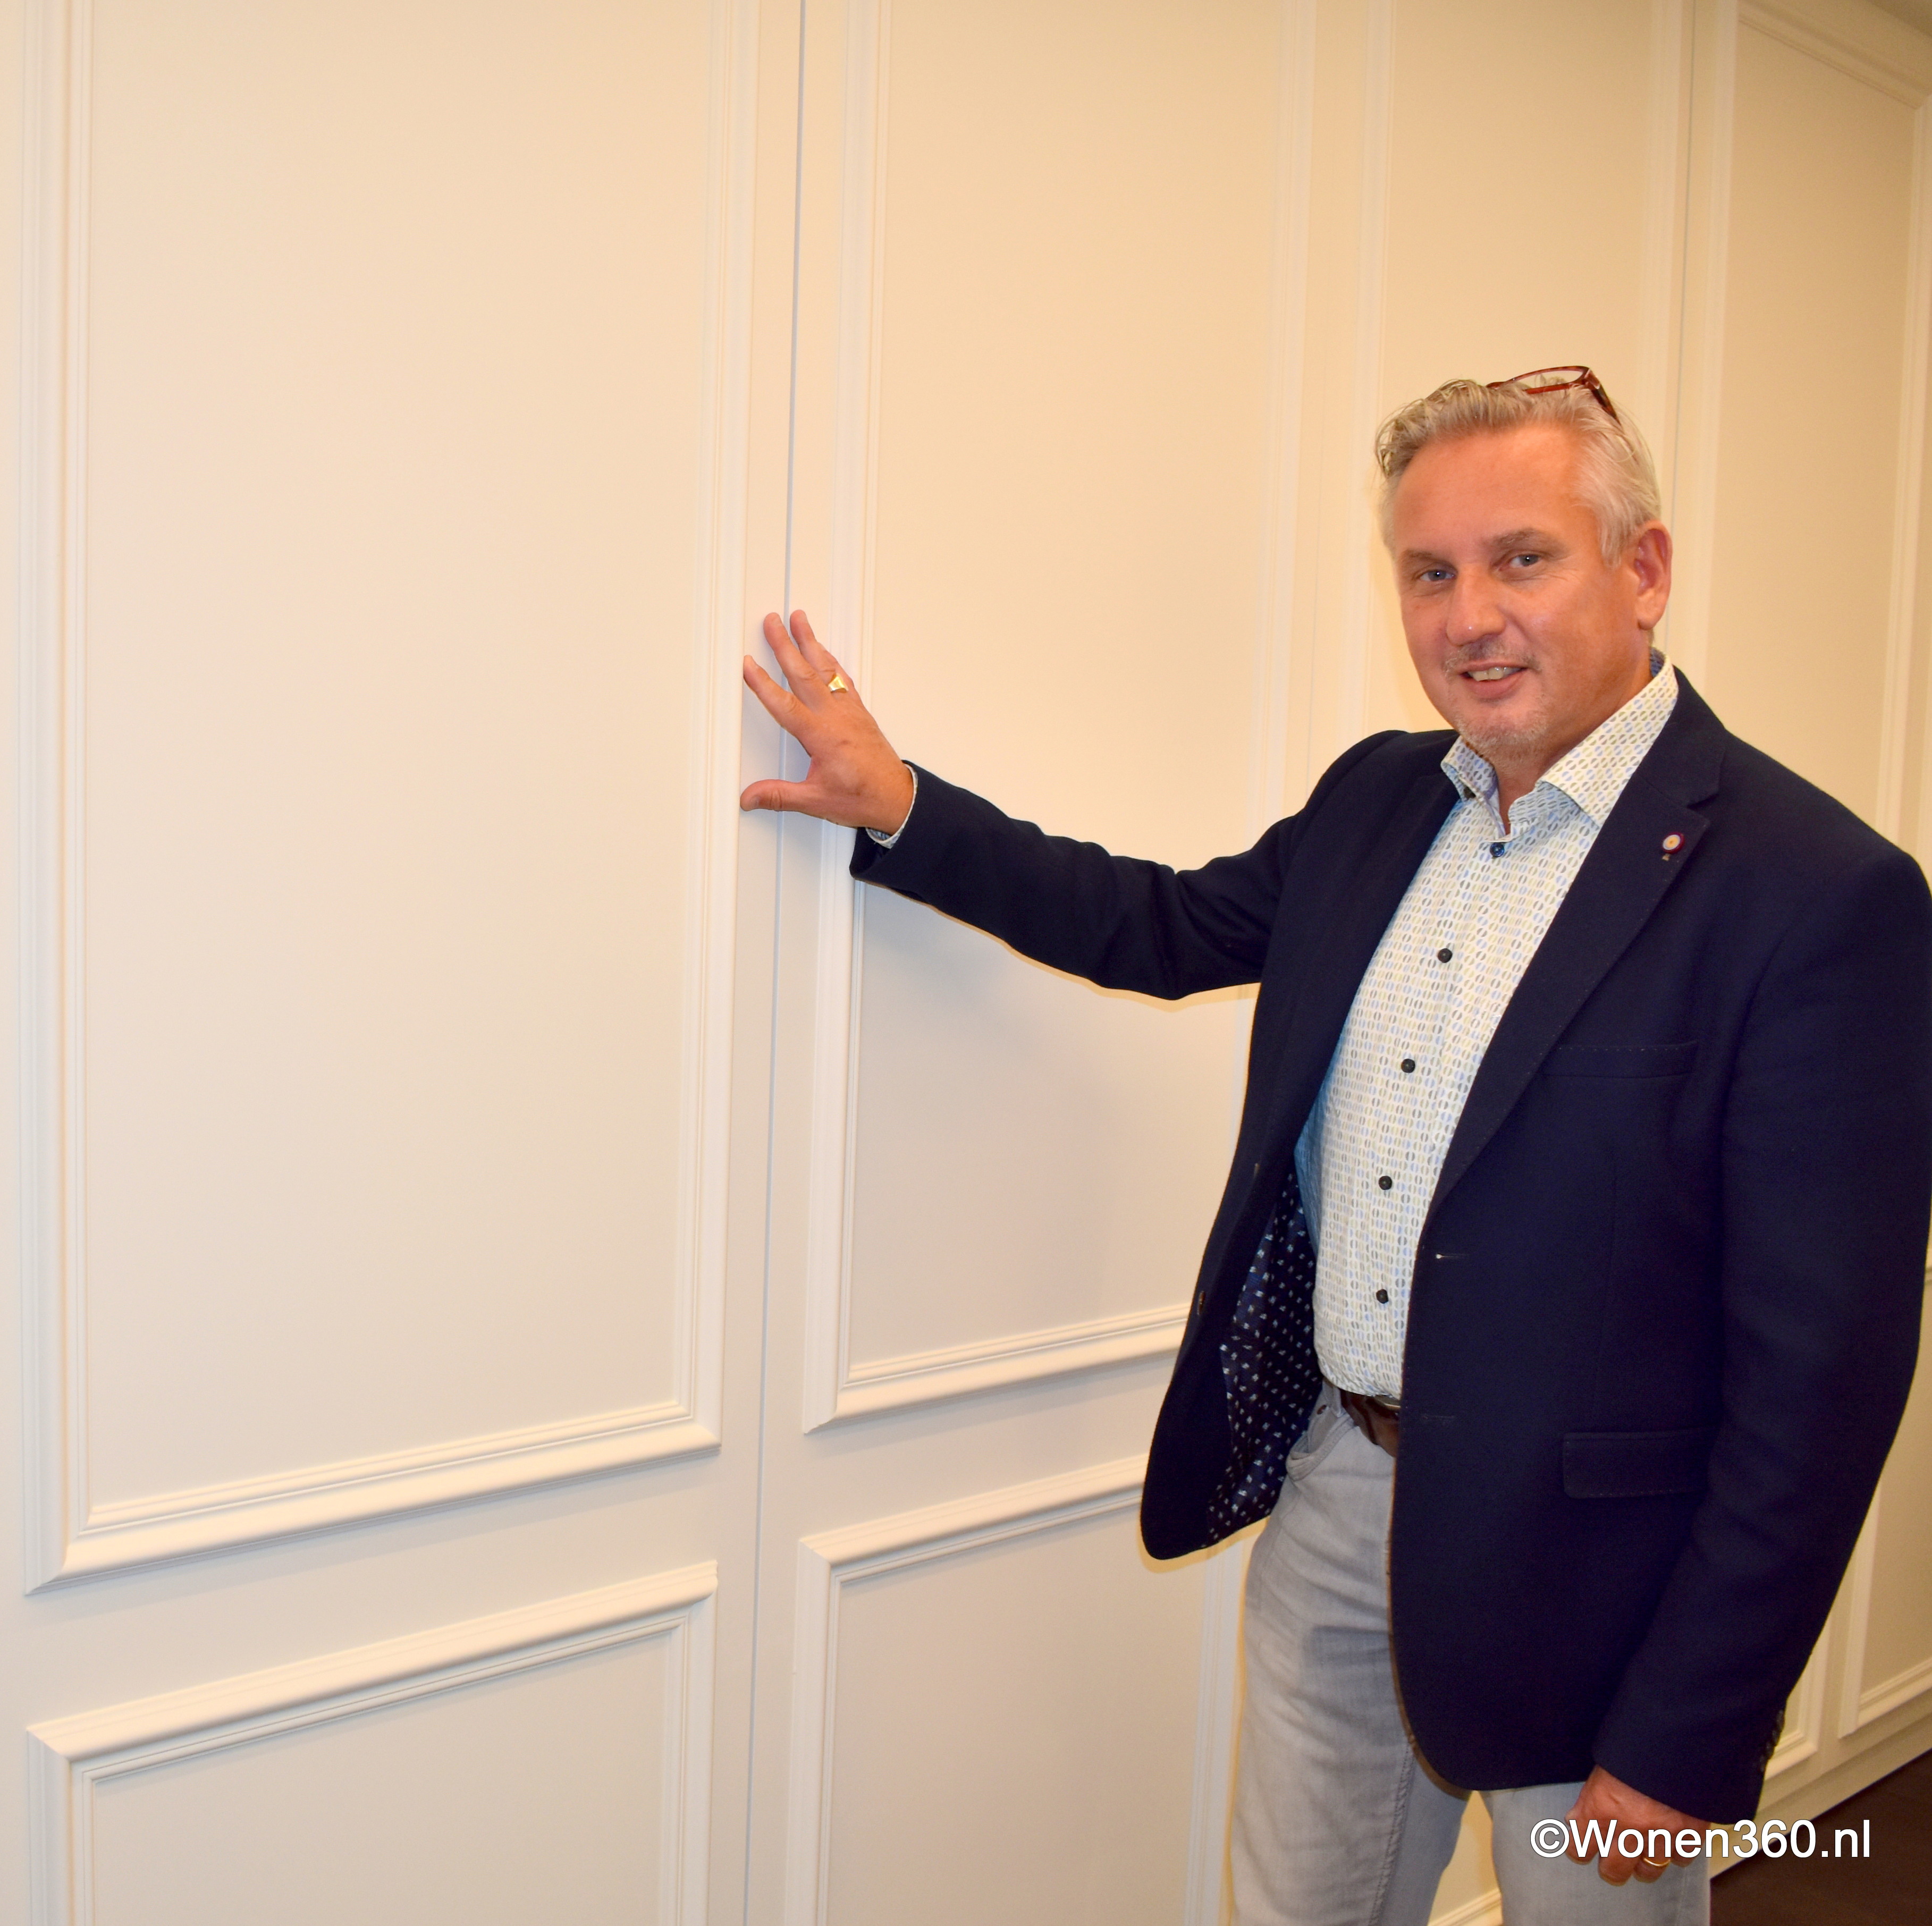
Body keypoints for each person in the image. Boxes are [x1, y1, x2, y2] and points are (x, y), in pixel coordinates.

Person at [740, 368, 1932, 1924]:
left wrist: (1691, 1732)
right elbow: (1161, 925)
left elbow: (1823, 1379)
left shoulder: (1815, 891)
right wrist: (900, 805)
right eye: (1428, 573)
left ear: (1641, 571)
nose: (1468, 617)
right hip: (1339, 1492)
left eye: (1521, 559)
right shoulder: (1381, 799)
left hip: (1602, 1584)